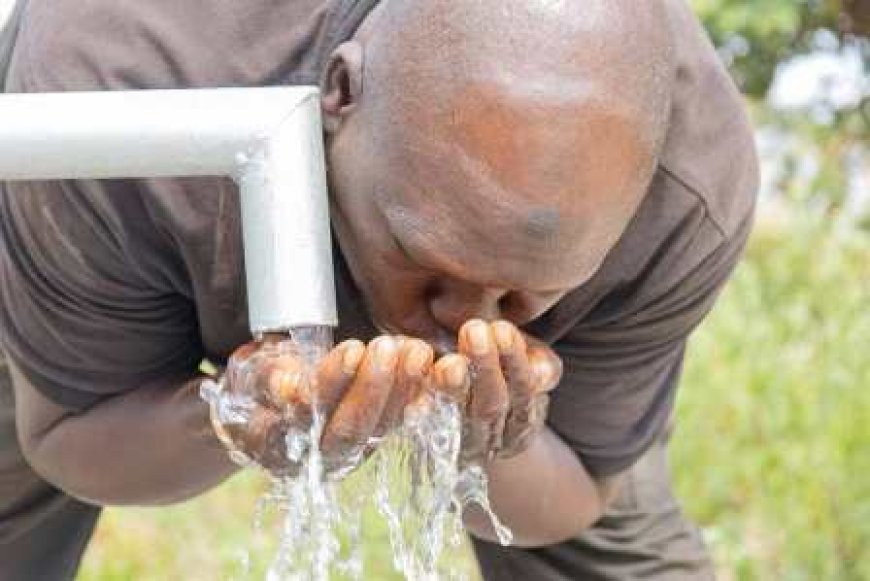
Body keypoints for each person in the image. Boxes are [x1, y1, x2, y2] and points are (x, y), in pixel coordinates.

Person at [0, 0, 759, 579]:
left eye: (520, 298)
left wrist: (492, 442)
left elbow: (581, 488)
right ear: (339, 92)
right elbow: (67, 429)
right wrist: (230, 419)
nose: (460, 327)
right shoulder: (114, 86)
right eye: (425, 261)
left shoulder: (688, 192)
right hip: (133, 221)